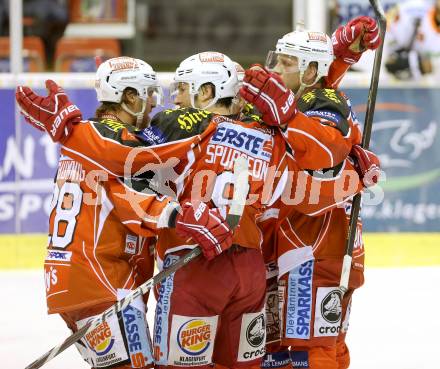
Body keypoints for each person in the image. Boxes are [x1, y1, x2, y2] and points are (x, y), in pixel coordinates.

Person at [16, 50, 375, 368]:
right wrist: (352, 170)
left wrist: (69, 130)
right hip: (250, 271)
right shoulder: (268, 133)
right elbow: (308, 186)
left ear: (206, 92)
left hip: (192, 264)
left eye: (183, 90)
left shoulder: (179, 125)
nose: (172, 100)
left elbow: (126, 161)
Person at [18, 56, 233, 369]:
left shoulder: (91, 142)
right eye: (148, 95)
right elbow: (136, 193)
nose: (152, 106)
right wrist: (181, 215)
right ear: (130, 96)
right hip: (101, 279)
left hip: (80, 280)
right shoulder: (105, 140)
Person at [243, 17, 382, 369]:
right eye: (277, 59)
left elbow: (326, 149)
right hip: (295, 245)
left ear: (310, 71)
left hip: (317, 248)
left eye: (287, 64)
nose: (276, 69)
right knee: (286, 352)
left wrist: (287, 115)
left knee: (312, 351)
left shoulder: (322, 101)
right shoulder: (300, 96)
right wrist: (342, 53)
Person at [385, 0, 440, 79]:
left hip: (431, 85)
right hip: (399, 82)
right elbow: (390, 61)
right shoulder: (414, 9)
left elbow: (429, 67)